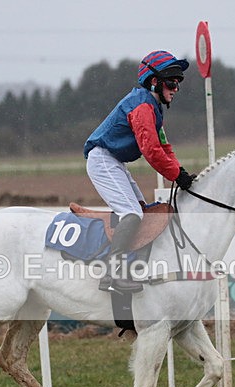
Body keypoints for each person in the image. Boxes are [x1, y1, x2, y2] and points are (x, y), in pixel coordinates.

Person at [84, 50, 196, 293]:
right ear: (154, 81)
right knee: (132, 214)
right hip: (103, 159)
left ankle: (131, 268)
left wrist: (181, 171)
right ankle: (112, 275)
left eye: (179, 83)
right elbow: (152, 150)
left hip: (113, 161)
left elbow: (164, 146)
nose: (176, 88)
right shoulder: (142, 106)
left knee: (142, 213)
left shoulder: (153, 108)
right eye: (172, 82)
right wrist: (177, 175)